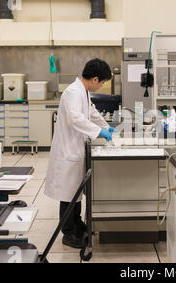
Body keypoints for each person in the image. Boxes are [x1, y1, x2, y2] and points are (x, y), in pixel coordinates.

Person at [44, 58, 115, 248]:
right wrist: (99, 132)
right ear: (95, 79)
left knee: (75, 193)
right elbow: (75, 118)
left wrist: (107, 126)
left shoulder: (83, 92)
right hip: (67, 152)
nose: (102, 86)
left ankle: (77, 225)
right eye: (102, 82)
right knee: (68, 195)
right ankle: (68, 234)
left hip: (75, 150)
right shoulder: (73, 92)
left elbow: (91, 113)